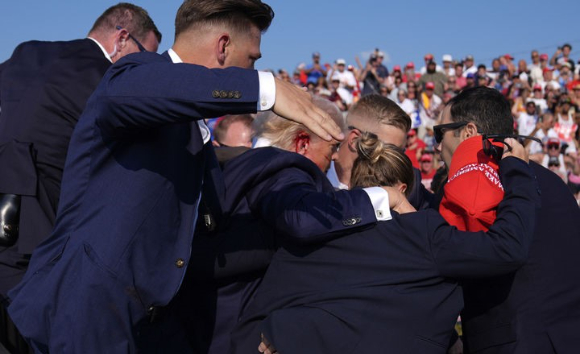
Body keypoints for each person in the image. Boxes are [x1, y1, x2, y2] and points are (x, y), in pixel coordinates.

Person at [6, 1, 344, 352]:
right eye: (253, 59)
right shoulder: (136, 73)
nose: (255, 66)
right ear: (223, 46)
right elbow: (138, 88)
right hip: (86, 320)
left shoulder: (195, 132)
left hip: (150, 325)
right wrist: (266, 89)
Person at [232, 131, 539, 354]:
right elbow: (507, 247)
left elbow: (387, 306)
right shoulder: (423, 233)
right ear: (404, 187)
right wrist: (517, 171)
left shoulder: (319, 218)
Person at [0, 3, 161, 352]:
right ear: (122, 38)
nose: (145, 70)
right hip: (39, 248)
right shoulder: (107, 80)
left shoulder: (28, 52)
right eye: (145, 56)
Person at [182, 97, 394, 354]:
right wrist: (381, 198)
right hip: (237, 336)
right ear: (303, 142)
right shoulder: (285, 168)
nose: (336, 156)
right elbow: (302, 220)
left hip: (205, 327)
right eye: (332, 147)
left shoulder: (247, 163)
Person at [435, 86, 580, 354]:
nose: (437, 145)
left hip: (515, 341)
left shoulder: (479, 181)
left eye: (439, 132)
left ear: (468, 132)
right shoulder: (551, 180)